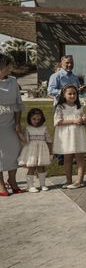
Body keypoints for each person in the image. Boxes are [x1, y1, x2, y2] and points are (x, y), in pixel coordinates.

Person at [53, 85, 86, 189]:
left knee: (80, 158)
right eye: (70, 93)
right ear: (64, 95)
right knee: (67, 159)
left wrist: (84, 119)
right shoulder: (60, 107)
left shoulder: (79, 106)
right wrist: (73, 121)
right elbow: (57, 122)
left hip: (78, 136)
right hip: (66, 136)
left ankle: (79, 181)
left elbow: (82, 118)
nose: (72, 95)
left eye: (74, 93)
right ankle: (69, 180)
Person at [0, 53, 24, 196]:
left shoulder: (13, 81)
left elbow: (18, 103)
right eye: (8, 66)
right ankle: (1, 184)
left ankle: (12, 180)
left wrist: (17, 123)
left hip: (10, 123)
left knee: (14, 152)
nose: (11, 69)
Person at [18, 108, 52, 193]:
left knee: (41, 167)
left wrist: (50, 153)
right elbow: (25, 141)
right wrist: (19, 133)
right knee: (32, 168)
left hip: (42, 151)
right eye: (34, 119)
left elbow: (49, 140)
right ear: (29, 118)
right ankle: (30, 186)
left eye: (38, 119)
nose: (36, 121)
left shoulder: (44, 128)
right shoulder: (27, 128)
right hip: (31, 151)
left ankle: (42, 184)